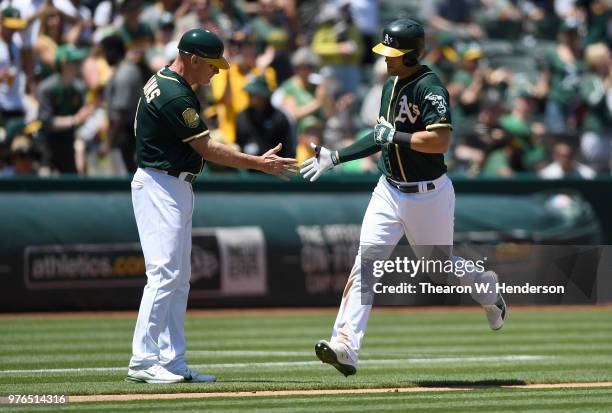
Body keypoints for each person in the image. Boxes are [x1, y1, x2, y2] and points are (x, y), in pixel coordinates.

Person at [300, 19, 506, 377]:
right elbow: (381, 135)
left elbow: (440, 140)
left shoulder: (430, 87)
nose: (386, 59)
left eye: (393, 53)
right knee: (367, 261)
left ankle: (487, 289)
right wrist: (337, 156)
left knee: (440, 268)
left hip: (429, 194)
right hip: (389, 188)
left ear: (412, 54)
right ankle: (346, 346)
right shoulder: (390, 84)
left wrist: (398, 136)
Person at [126, 28, 297, 384]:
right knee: (164, 274)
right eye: (212, 65)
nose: (216, 72)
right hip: (161, 183)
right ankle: (143, 359)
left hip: (172, 182)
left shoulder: (166, 81)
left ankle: (172, 360)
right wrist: (258, 163)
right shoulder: (174, 93)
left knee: (180, 278)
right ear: (193, 59)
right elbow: (208, 148)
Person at [235, 75, 293, 161]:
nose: (250, 97)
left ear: (263, 96)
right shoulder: (243, 116)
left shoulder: (279, 117)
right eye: (249, 94)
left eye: (253, 95)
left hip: (273, 166)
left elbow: (287, 146)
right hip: (248, 167)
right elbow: (239, 142)